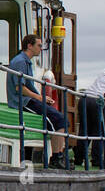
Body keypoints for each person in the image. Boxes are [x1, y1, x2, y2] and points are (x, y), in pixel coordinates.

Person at [7, 34, 69, 168]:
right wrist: (40, 98)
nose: (41, 48)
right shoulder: (20, 62)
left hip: (28, 99)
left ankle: (57, 156)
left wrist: (42, 99)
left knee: (61, 119)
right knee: (59, 120)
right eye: (39, 45)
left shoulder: (25, 61)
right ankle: (56, 158)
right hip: (22, 101)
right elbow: (20, 88)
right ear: (29, 46)